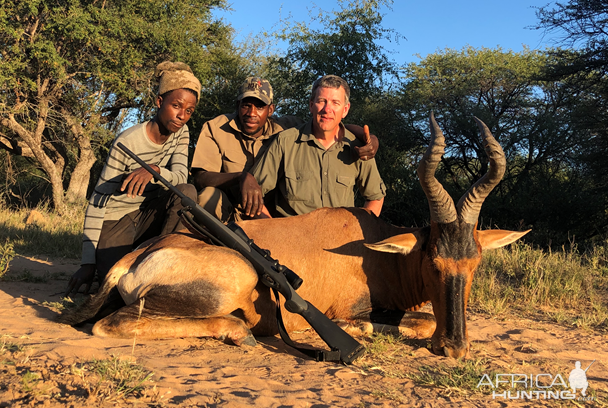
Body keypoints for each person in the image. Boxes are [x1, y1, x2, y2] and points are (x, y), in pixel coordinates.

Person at [65, 61, 201, 297]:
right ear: (159, 102)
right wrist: (88, 262)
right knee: (115, 290)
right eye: (176, 106)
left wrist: (155, 170)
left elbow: (180, 176)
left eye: (189, 111)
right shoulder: (127, 142)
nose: (182, 116)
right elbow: (99, 199)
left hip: (149, 214)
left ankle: (164, 263)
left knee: (187, 192)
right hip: (118, 218)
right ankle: (114, 266)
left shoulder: (181, 133)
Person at [191, 76, 378, 222]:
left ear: (270, 110)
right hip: (238, 211)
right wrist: (241, 177)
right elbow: (200, 177)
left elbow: (328, 124)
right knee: (208, 196)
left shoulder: (284, 128)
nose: (252, 113)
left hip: (332, 236)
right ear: (311, 105)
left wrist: (367, 137)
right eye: (246, 105)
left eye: (260, 106)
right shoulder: (284, 139)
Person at [244, 74, 386, 218]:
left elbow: (376, 197)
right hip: (293, 237)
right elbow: (252, 192)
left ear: (345, 109)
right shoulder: (285, 142)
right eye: (321, 101)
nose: (327, 109)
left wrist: (356, 235)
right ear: (311, 105)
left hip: (340, 237)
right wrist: (273, 229)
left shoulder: (359, 148)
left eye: (335, 103)